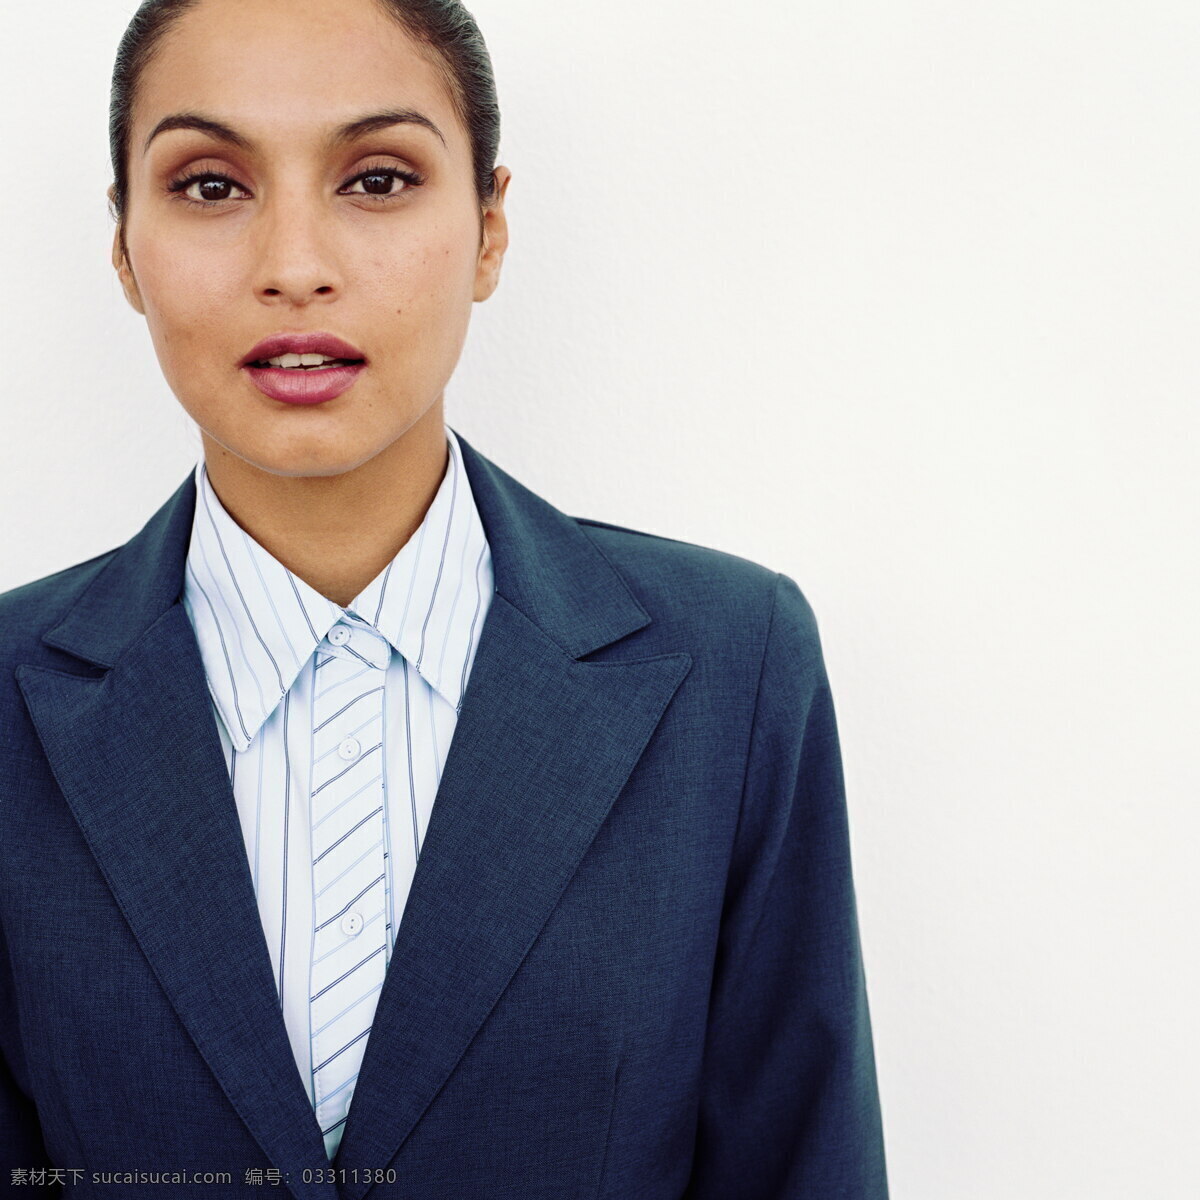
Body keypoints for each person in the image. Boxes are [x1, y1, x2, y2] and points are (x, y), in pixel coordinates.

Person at [0, 0, 888, 1195]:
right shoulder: (9, 702)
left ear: (486, 229)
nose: (295, 267)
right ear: (123, 246)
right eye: (212, 187)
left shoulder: (733, 668)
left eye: (376, 177)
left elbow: (803, 1162)